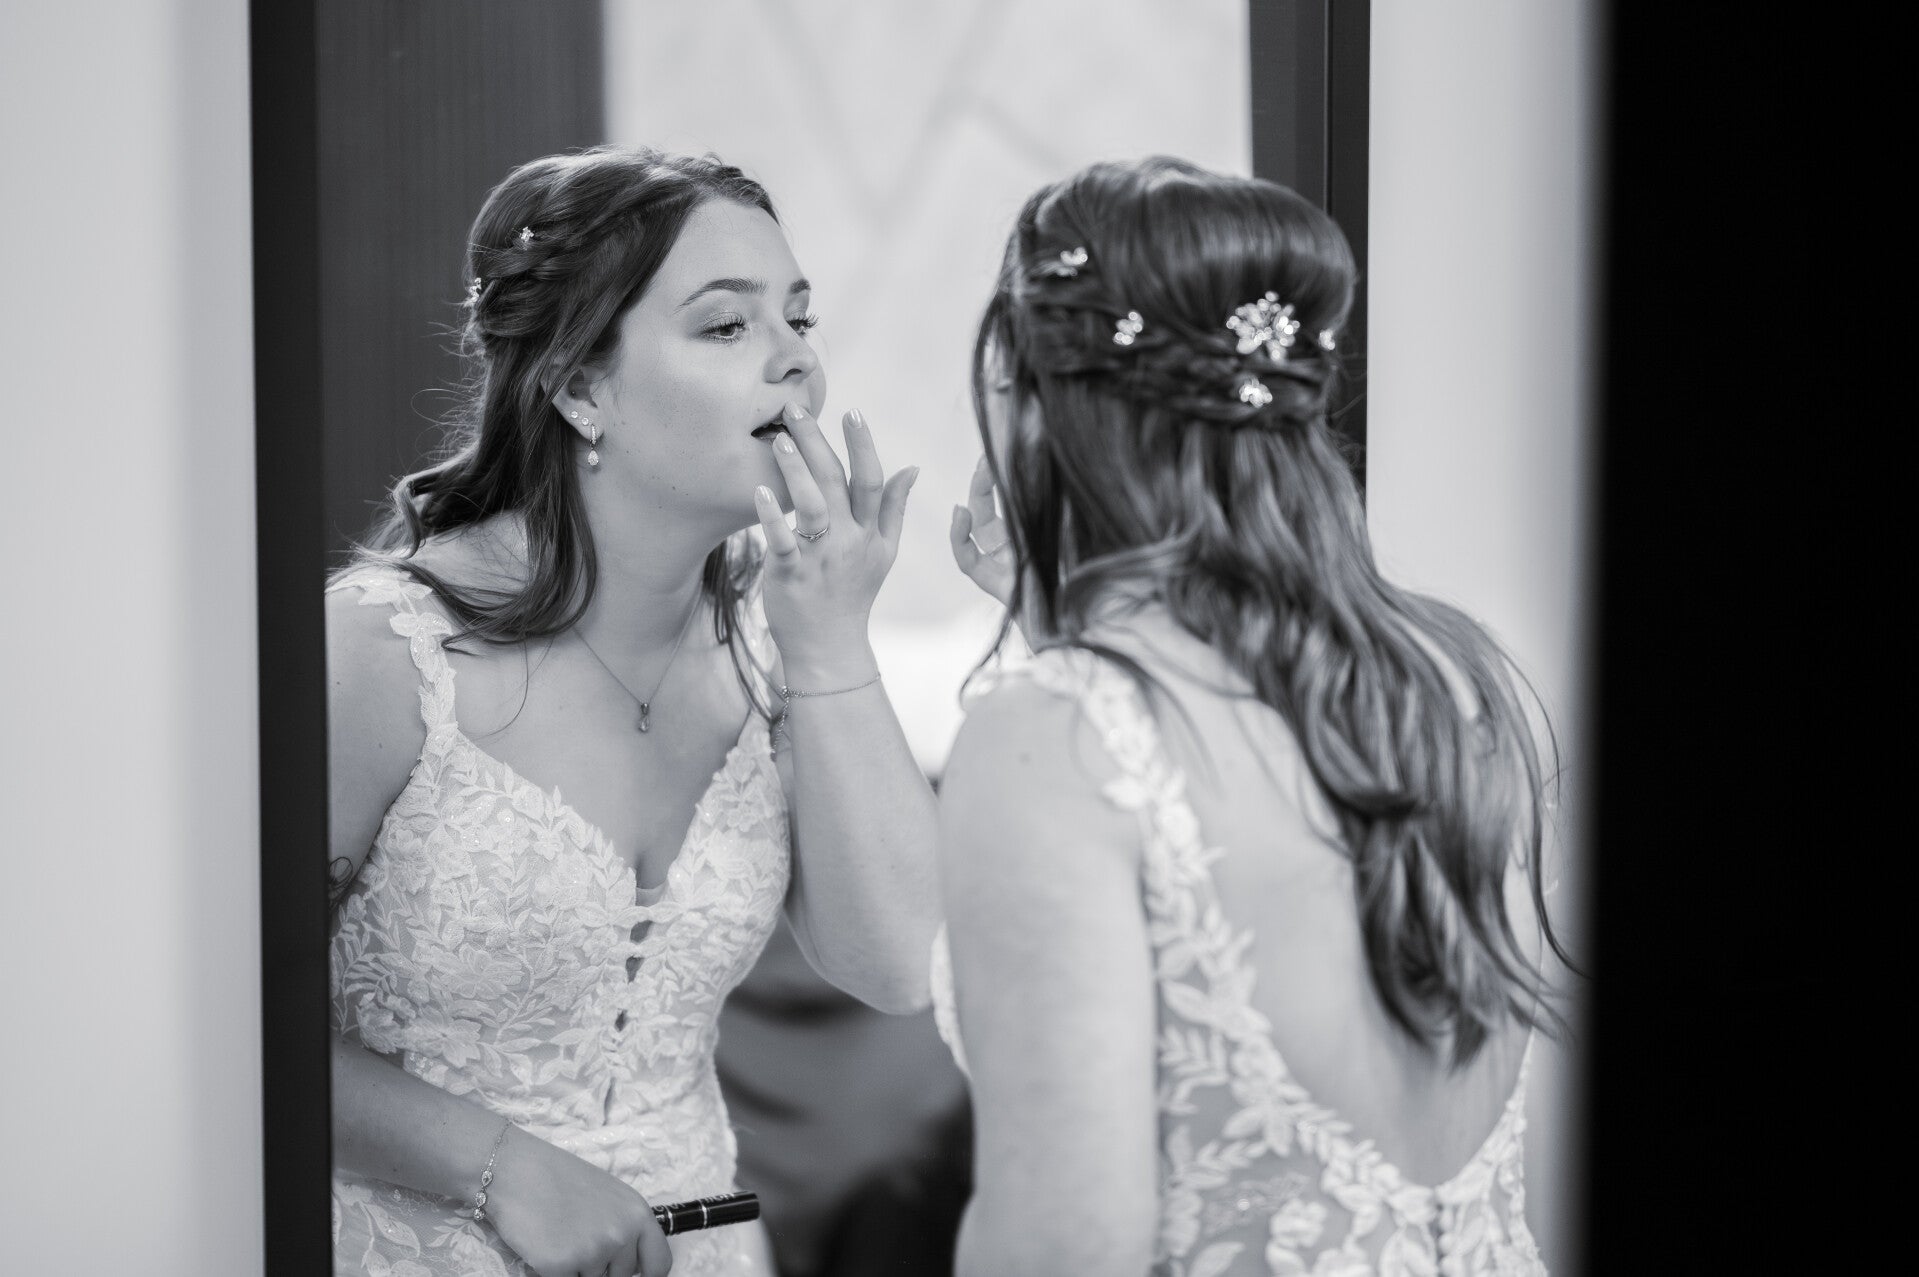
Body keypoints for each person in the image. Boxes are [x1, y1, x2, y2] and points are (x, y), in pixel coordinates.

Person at [935, 157, 1571, 1277]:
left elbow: (1063, 1246)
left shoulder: (1054, 732)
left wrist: (1068, 667)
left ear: (1031, 403)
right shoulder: (1455, 675)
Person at [323, 145, 940, 1277]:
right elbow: (233, 1021)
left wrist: (831, 642)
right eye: (727, 325)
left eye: (799, 318)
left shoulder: (773, 641)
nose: (796, 359)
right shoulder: (384, 651)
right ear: (578, 387)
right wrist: (505, 1166)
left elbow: (896, 965)